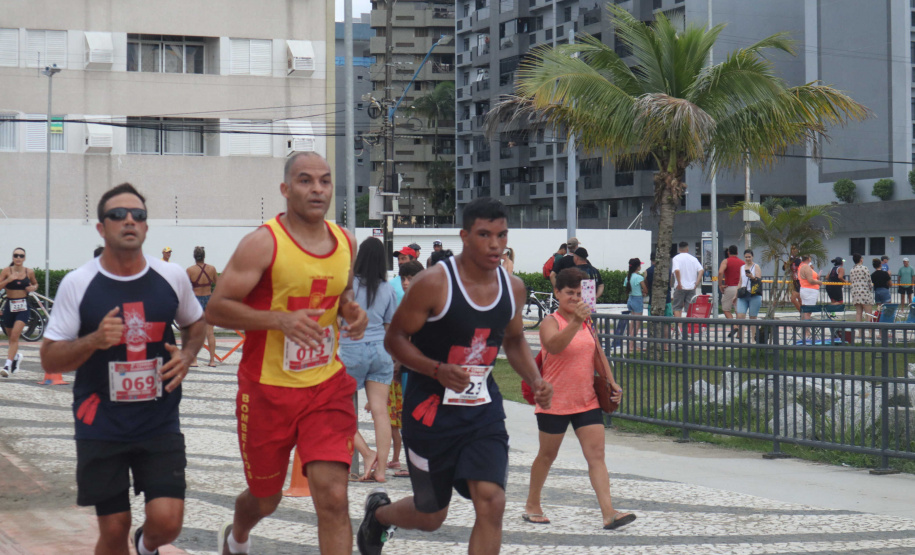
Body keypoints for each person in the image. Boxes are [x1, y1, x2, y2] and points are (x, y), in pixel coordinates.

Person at [356, 197, 553, 555]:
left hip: (482, 412)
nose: (495, 244)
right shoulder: (434, 283)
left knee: (492, 502)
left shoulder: (514, 288)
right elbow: (394, 338)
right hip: (430, 412)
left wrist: (535, 378)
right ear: (464, 236)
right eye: (484, 235)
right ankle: (380, 515)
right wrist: (436, 369)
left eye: (501, 235)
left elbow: (513, 339)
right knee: (431, 515)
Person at [206, 152, 368, 555]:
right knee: (265, 499)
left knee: (333, 498)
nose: (317, 189)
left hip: (326, 387)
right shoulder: (262, 243)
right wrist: (280, 320)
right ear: (285, 189)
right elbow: (216, 308)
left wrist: (350, 310)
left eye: (325, 181)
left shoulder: (346, 240)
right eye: (306, 181)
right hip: (267, 392)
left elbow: (342, 293)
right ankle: (237, 537)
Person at [39, 182, 207, 555]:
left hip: (158, 419)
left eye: (138, 215)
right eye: (117, 215)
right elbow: (49, 358)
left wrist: (189, 354)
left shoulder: (172, 276)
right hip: (101, 421)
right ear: (102, 228)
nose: (129, 220)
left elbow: (196, 324)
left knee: (167, 522)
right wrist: (94, 341)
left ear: (146, 227)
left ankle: (145, 546)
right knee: (114, 528)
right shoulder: (79, 283)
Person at [523, 267, 631, 530]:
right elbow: (554, 346)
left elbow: (598, 354)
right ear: (557, 292)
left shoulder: (587, 322)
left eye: (578, 293)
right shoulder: (552, 321)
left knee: (596, 455)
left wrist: (612, 381)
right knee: (547, 456)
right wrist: (574, 322)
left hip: (586, 400)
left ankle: (609, 512)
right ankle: (532, 504)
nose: (574, 298)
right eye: (569, 293)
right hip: (554, 401)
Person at [340, 237, 398, 483]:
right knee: (380, 412)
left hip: (352, 349)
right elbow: (390, 327)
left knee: (337, 409)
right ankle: (382, 470)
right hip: (381, 352)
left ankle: (366, 452)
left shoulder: (349, 286)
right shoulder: (388, 289)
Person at [388, 259, 424, 479]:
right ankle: (415, 463)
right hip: (410, 366)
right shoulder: (408, 302)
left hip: (416, 366)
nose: (405, 283)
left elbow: (409, 337)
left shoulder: (418, 304)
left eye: (410, 278)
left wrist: (398, 363)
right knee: (410, 416)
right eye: (402, 278)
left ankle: (416, 463)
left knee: (414, 416)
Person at [0, 248, 38, 377]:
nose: (18, 258)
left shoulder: (29, 271)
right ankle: (16, 356)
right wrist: (8, 280)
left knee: (15, 336)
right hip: (9, 307)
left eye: (21, 256)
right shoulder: (6, 271)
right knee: (11, 338)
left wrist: (33, 287)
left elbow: (35, 283)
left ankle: (7, 366)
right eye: (16, 255)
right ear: (13, 257)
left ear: (24, 258)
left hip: (23, 307)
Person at [186, 246, 218, 367]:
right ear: (204, 256)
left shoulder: (190, 270)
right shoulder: (212, 269)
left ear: (194, 257)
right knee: (210, 332)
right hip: (208, 299)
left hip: (196, 300)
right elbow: (219, 285)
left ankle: (194, 361)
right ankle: (212, 361)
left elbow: (185, 288)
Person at [731, 249, 763, 340]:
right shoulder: (742, 267)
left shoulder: (756, 266)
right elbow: (740, 282)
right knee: (740, 316)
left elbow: (758, 280)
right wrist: (735, 295)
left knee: (753, 317)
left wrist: (752, 277)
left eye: (749, 257)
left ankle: (753, 338)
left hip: (753, 294)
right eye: (746, 257)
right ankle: (741, 339)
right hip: (743, 294)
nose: (748, 259)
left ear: (752, 257)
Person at [670, 241, 703, 317]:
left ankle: (679, 327)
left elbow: (677, 270)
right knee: (690, 308)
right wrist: (697, 283)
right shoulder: (693, 259)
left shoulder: (676, 258)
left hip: (680, 287)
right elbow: (701, 270)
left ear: (679, 249)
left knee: (677, 307)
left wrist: (679, 283)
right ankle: (689, 327)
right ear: (687, 249)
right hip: (691, 287)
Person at [623, 258, 648, 352]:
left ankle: (631, 344)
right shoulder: (639, 277)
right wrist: (643, 292)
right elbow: (645, 290)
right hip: (637, 300)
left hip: (630, 299)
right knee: (637, 324)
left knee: (632, 323)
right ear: (638, 267)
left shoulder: (627, 277)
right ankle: (631, 346)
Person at [718, 245, 743, 320]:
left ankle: (734, 325)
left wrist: (720, 285)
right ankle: (740, 328)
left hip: (730, 287)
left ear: (728, 252)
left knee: (726, 309)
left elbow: (720, 272)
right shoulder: (742, 263)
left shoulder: (726, 261)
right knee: (738, 310)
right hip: (740, 288)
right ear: (737, 253)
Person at [849, 253, 873, 323]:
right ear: (861, 260)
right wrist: (870, 287)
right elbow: (869, 280)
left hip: (856, 293)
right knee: (868, 313)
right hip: (864, 293)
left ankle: (859, 332)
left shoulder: (852, 270)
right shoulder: (864, 268)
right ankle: (870, 332)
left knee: (858, 313)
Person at [784, 245, 802, 313]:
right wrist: (786, 264)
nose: (793, 251)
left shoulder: (800, 259)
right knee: (797, 299)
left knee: (794, 299)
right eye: (792, 249)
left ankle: (803, 313)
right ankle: (803, 314)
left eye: (794, 249)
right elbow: (785, 269)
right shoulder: (791, 259)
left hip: (801, 281)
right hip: (795, 281)